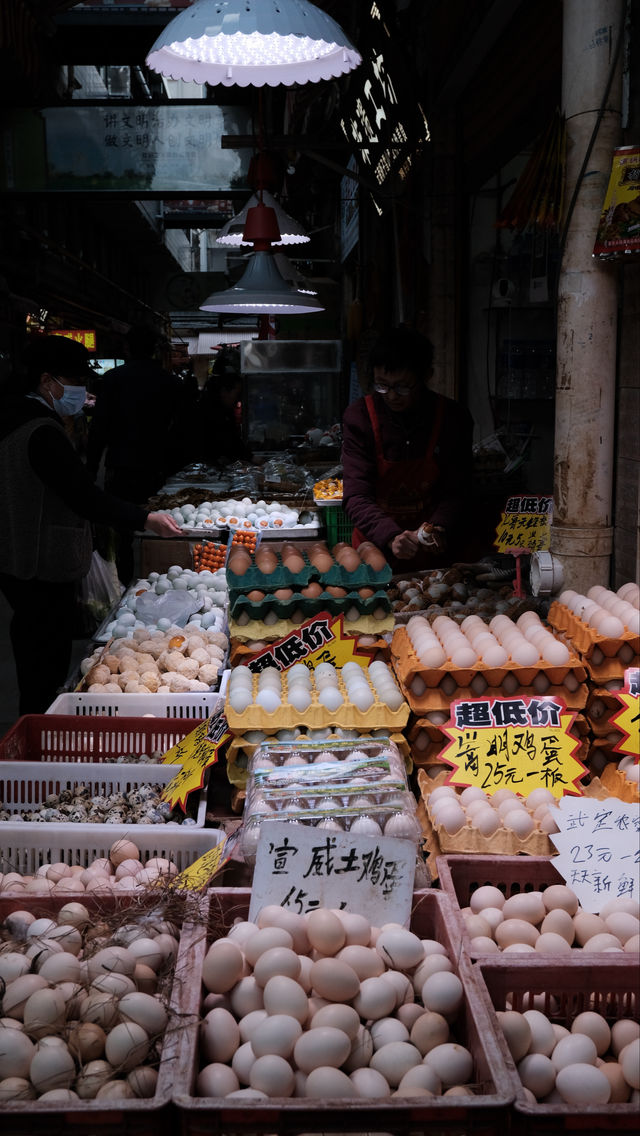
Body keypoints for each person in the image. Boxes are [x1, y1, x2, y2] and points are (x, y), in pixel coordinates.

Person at [0, 334, 182, 715]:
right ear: (47, 381)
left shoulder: (13, 417)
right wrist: (144, 518)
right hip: (41, 562)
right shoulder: (41, 431)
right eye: (75, 381)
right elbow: (82, 495)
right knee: (44, 654)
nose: (82, 391)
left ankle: (37, 721)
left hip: (16, 558)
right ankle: (41, 729)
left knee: (33, 646)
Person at [342, 327, 474, 572]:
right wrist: (391, 536)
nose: (391, 396)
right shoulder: (359, 417)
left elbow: (459, 489)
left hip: (434, 551)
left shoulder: (452, 418)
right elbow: (355, 495)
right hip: (376, 546)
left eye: (402, 387)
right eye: (382, 385)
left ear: (426, 376)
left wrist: (436, 527)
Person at [86, 323, 183, 583]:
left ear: (127, 347)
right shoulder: (170, 382)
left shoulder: (112, 380)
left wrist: (91, 468)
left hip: (123, 467)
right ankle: (164, 578)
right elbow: (181, 430)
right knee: (163, 524)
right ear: (154, 350)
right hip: (159, 469)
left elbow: (99, 430)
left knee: (124, 529)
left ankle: (129, 583)